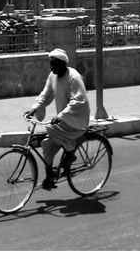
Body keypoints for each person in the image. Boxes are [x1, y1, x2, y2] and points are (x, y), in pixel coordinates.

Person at [24, 48, 91, 190]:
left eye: (55, 64)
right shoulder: (52, 76)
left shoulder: (74, 76)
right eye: (51, 64)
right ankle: (49, 178)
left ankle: (70, 152)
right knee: (46, 146)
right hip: (63, 120)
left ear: (63, 64)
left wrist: (60, 116)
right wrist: (35, 107)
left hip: (77, 119)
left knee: (50, 128)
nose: (52, 67)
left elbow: (78, 101)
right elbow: (45, 95)